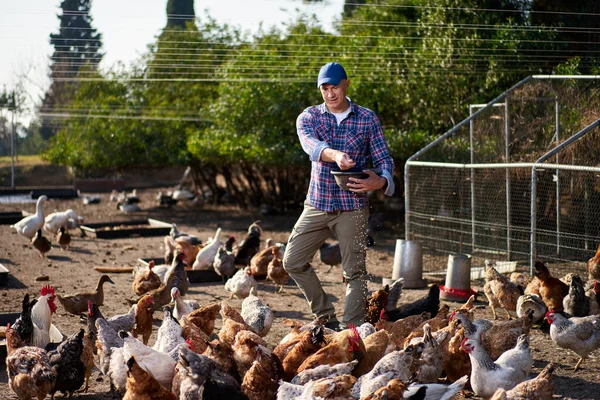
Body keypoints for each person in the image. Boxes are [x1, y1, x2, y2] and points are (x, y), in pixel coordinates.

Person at [282, 62, 395, 330]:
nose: (330, 93)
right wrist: (335, 155)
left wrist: (381, 181)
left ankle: (351, 331)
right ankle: (326, 317)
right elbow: (311, 145)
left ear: (347, 84)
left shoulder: (367, 118)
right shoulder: (309, 117)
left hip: (353, 206)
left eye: (335, 87)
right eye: (325, 88)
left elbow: (383, 158)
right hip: (317, 203)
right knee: (292, 261)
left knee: (354, 272)